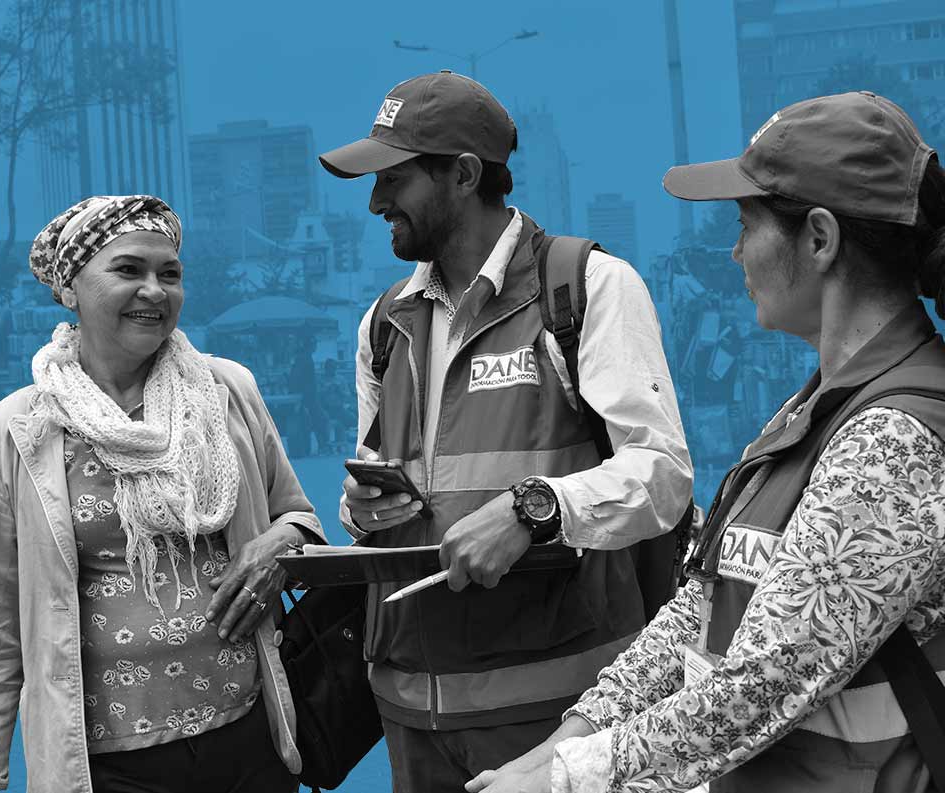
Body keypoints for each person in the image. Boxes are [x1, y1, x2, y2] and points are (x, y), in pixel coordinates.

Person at [466, 91, 945, 793]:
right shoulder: (818, 408)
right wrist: (567, 741)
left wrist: (567, 778)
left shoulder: (893, 438)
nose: (734, 249)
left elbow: (763, 678)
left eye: (746, 224)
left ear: (819, 238)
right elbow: (701, 606)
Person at [318, 71, 693, 793]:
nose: (374, 203)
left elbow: (663, 476)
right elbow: (379, 478)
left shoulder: (588, 290)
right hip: (410, 724)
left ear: (462, 174)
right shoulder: (383, 324)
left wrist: (535, 508)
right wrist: (361, 509)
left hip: (556, 725)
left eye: (393, 179)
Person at [0, 195, 325, 793]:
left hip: (247, 738)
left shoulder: (227, 393)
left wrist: (278, 545)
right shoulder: (19, 429)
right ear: (70, 288)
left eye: (169, 274)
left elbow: (299, 516)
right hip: (109, 766)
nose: (155, 289)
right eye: (129, 270)